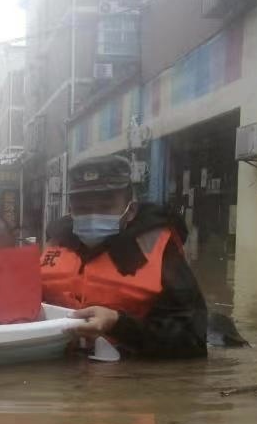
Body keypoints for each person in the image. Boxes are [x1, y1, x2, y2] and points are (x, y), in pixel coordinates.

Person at [41, 154, 207, 359]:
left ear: (130, 210)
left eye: (105, 207)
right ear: (70, 211)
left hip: (127, 374)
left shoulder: (159, 250)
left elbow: (193, 341)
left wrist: (118, 324)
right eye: (82, 209)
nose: (93, 216)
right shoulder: (57, 242)